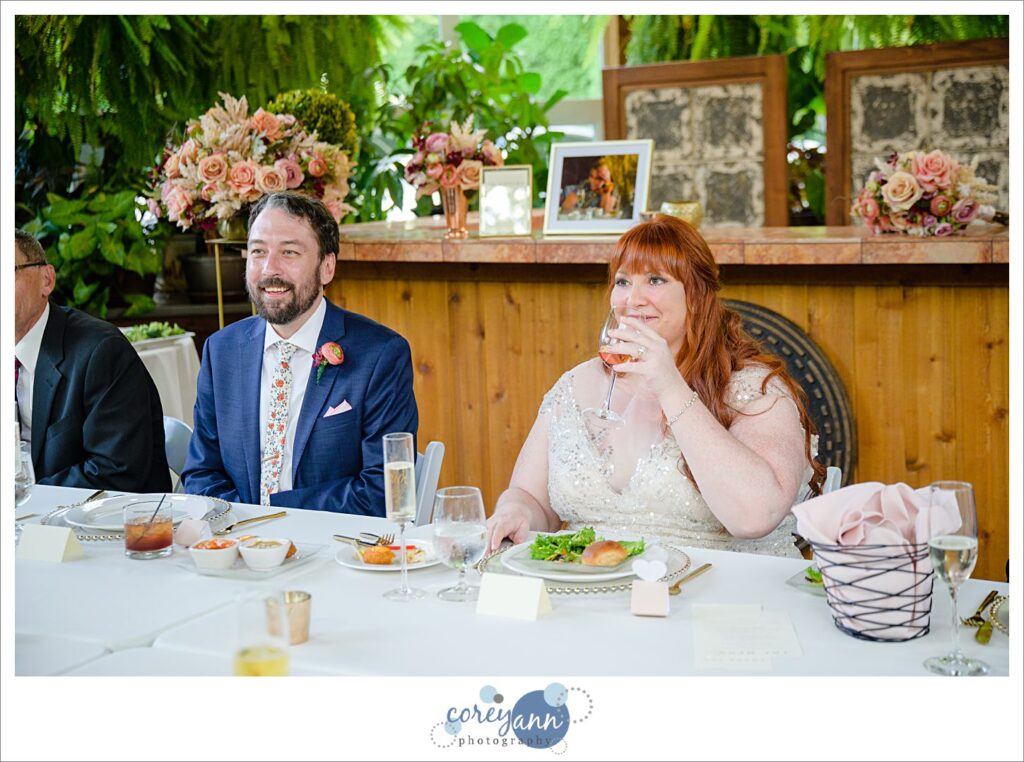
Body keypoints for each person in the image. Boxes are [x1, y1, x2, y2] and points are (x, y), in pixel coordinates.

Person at [486, 214, 824, 557]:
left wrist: (669, 385)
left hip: (722, 595)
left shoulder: (754, 389)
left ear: (696, 296)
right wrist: (515, 512)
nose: (632, 300)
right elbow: (530, 497)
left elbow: (755, 517)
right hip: (592, 590)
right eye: (622, 282)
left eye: (655, 280)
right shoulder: (575, 385)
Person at [182, 192, 418, 515]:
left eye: (289, 252)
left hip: (335, 555)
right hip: (239, 550)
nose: (270, 269)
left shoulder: (381, 356)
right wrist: (248, 531)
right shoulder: (221, 351)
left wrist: (274, 514)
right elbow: (200, 474)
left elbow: (385, 491)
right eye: (258, 252)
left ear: (327, 267)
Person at [14, 230, 171, 492]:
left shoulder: (102, 352)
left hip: (105, 524)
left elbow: (117, 472)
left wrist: (22, 498)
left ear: (47, 280)